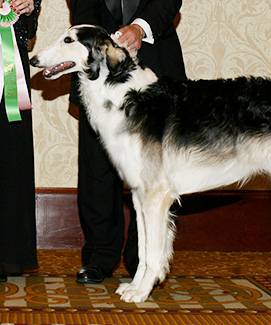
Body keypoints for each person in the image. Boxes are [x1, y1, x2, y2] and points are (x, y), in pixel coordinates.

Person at [70, 0, 186, 284]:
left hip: (156, 63)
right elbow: (83, 9)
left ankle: (144, 260)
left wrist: (140, 28)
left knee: (152, 173)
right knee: (97, 169)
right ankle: (99, 256)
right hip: (97, 73)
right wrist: (106, 45)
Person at [0, 0, 41, 282]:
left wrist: (29, 7)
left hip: (8, 64)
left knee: (10, 155)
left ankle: (6, 254)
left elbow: (29, 27)